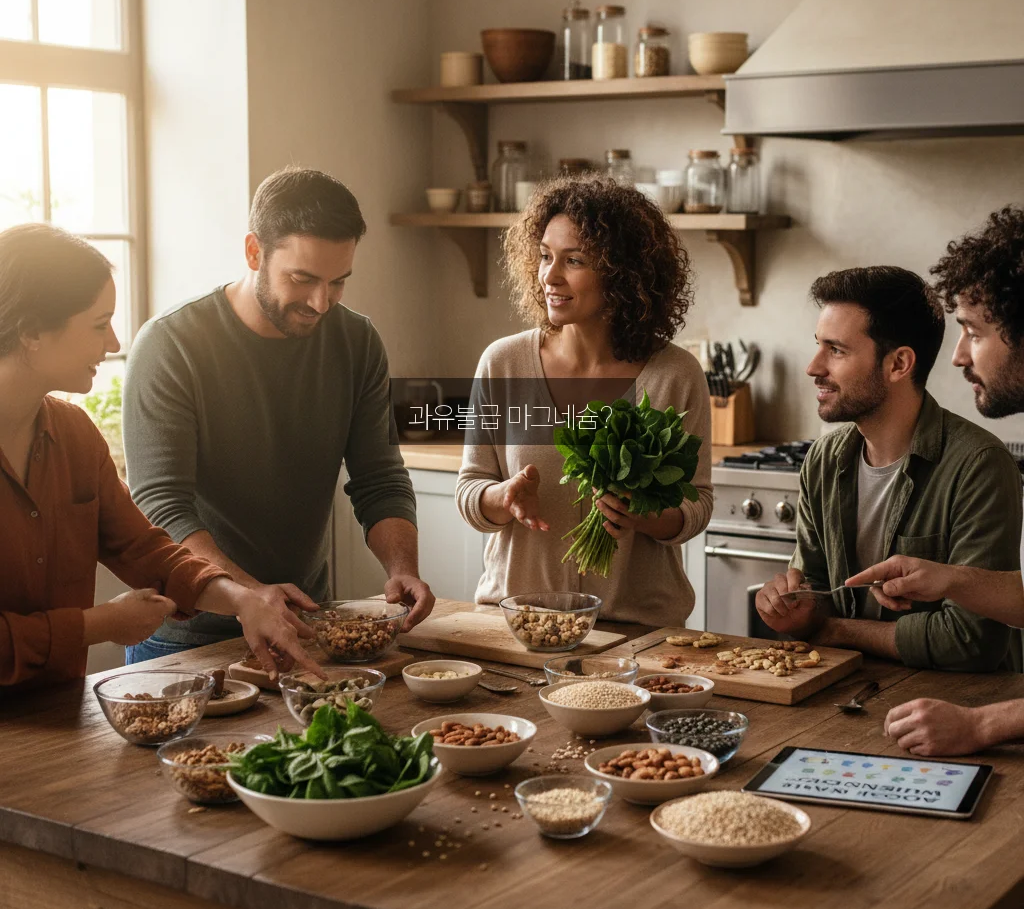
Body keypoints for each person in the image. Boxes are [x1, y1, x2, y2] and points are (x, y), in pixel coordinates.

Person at [122, 167, 433, 663]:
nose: (320, 302)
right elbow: (162, 505)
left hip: (304, 623)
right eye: (302, 279)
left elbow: (379, 478)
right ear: (253, 252)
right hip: (186, 635)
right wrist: (249, 595)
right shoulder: (171, 344)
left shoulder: (357, 342)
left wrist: (403, 567)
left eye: (338, 283)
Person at [0, 223, 322, 690]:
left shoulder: (74, 434)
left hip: (60, 713)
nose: (112, 342)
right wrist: (100, 625)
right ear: (31, 332)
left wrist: (243, 599)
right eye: (97, 324)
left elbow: (143, 550)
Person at [456, 174, 713, 627]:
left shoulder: (676, 374)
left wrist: (643, 515)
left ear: (622, 273)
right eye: (544, 257)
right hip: (520, 625)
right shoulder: (504, 363)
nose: (550, 276)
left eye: (573, 260)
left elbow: (697, 505)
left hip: (637, 631)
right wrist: (503, 497)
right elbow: (470, 490)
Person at [755, 265, 1022, 672]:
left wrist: (834, 631)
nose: (813, 367)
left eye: (836, 350)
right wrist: (792, 608)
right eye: (818, 346)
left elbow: (972, 641)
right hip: (843, 693)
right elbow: (816, 594)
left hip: (957, 706)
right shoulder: (824, 460)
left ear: (898, 364)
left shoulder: (978, 466)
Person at [842, 208, 1024, 755]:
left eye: (974, 331)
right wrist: (946, 579)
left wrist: (982, 725)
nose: (960, 354)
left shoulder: (978, 460)